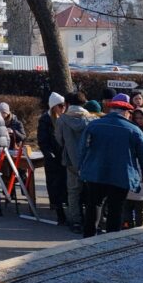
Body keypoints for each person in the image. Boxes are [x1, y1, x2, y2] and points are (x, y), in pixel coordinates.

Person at [78, 96, 143, 238]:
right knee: (116, 208)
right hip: (121, 175)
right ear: (127, 112)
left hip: (95, 173)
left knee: (94, 204)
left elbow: (82, 149)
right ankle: (110, 239)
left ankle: (88, 237)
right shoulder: (134, 130)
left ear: (111, 110)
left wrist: (81, 167)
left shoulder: (94, 125)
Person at [56, 91, 93, 233]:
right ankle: (91, 220)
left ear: (67, 103)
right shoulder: (91, 119)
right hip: (89, 160)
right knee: (91, 192)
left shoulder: (62, 120)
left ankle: (75, 221)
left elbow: (59, 140)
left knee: (73, 192)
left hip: (71, 160)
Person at [38, 93, 68, 225]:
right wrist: (49, 154)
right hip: (53, 159)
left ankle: (65, 211)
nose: (63, 108)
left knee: (65, 185)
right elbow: (43, 140)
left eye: (64, 105)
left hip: (64, 157)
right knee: (55, 185)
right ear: (54, 107)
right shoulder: (46, 120)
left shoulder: (65, 118)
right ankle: (59, 214)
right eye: (60, 106)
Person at [124, 109, 143, 228]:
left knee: (139, 205)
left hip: (141, 169)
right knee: (129, 203)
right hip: (132, 168)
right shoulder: (131, 130)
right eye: (136, 118)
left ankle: (137, 227)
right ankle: (128, 226)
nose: (138, 120)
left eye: (141, 118)